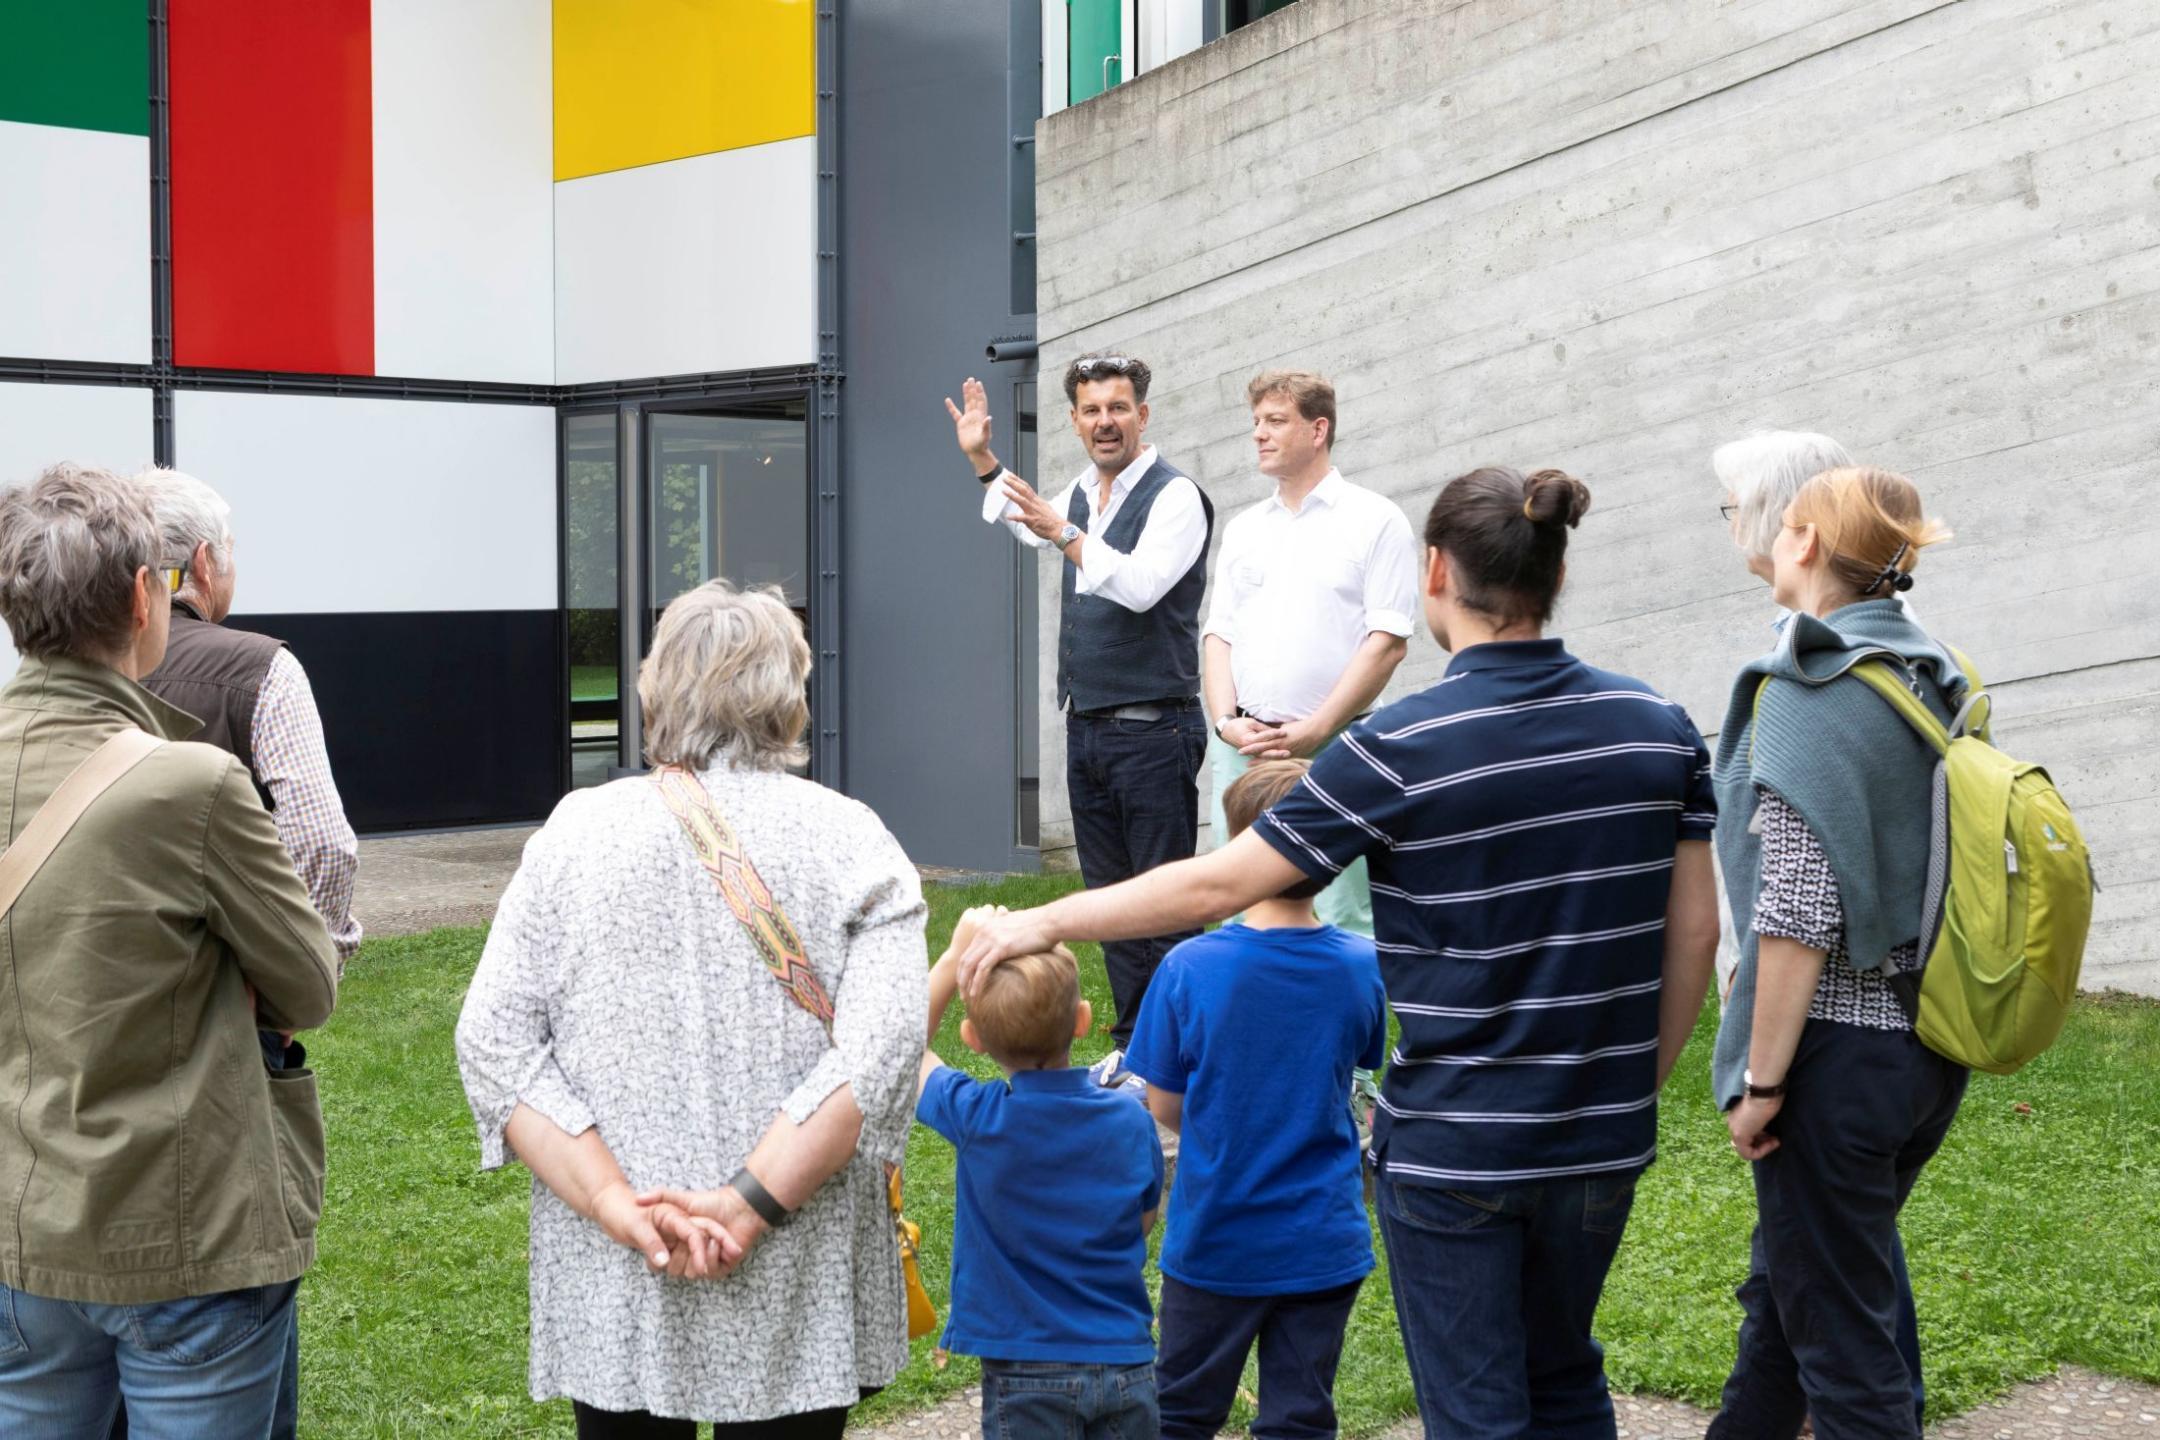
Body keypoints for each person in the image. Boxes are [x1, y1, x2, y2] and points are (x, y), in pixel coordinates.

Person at [958, 466, 1723, 1439]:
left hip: (1457, 1154)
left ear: (1434, 570)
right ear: (1554, 570)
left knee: (1477, 1407)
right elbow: (1696, 931)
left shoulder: (1397, 745)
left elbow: (1219, 883)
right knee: (1566, 1376)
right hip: (1604, 1138)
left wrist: (1045, 921)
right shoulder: (1657, 729)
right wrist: (1632, 1085)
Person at [455, 580, 928, 1440]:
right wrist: (748, 1204)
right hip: (797, 1252)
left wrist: (615, 1206)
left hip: (624, 1258)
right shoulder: (852, 835)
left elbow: (493, 1042)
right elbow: (882, 1052)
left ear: (653, 690)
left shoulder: (573, 834)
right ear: (791, 695)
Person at [0, 462, 339, 1437]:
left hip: (21, 1225)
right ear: (148, 594)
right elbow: (308, 982)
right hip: (183, 1230)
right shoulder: (189, 785)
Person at [1704, 467, 1969, 1440]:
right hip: (1926, 1049)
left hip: (1835, 1063)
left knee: (1845, 1362)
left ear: (1806, 543)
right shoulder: (1930, 674)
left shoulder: (1816, 689)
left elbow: (1800, 913)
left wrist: (1762, 1081)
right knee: (1791, 1302)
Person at [133, 465, 361, 1440]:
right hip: (231, 1045)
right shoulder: (261, 667)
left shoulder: (56, 688)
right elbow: (321, 840)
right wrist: (295, 976)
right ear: (202, 566)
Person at [947, 354, 1215, 1085]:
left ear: (1143, 415)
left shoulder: (1175, 497)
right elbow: (1032, 526)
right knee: (1110, 902)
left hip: (1155, 726)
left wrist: (1064, 531)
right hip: (1090, 724)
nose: (1105, 422)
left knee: (1163, 900)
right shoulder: (1077, 493)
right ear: (1074, 420)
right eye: (1092, 410)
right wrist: (983, 460)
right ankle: (1137, 1047)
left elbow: (1138, 586)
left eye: (1119, 408)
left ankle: (1186, 1056)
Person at [1124, 758, 1389, 1440]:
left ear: (1239, 852)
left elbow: (1164, 1109)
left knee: (1180, 1412)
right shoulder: (1364, 966)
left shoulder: (1188, 968)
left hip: (1218, 1238)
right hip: (1324, 1240)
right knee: (1300, 1420)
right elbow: (1354, 1071)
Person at [914, 908, 1164, 1440]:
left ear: (972, 1037)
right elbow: (1144, 1219)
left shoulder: (978, 1117)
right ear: (1082, 1019)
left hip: (1024, 1373)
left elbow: (901, 1048)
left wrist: (957, 955)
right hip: (1126, 1360)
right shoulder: (1129, 1117)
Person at [1203, 372, 1418, 935]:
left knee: (1342, 913)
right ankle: (1244, 1022)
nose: (1258, 435)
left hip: (1336, 746)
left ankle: (1346, 1023)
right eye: (1255, 423)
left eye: (1275, 421)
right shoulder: (1244, 528)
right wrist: (1226, 724)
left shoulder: (1376, 520)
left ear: (1318, 429)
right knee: (1233, 903)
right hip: (1241, 749)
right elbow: (1218, 636)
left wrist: (1315, 728)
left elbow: (1388, 642)